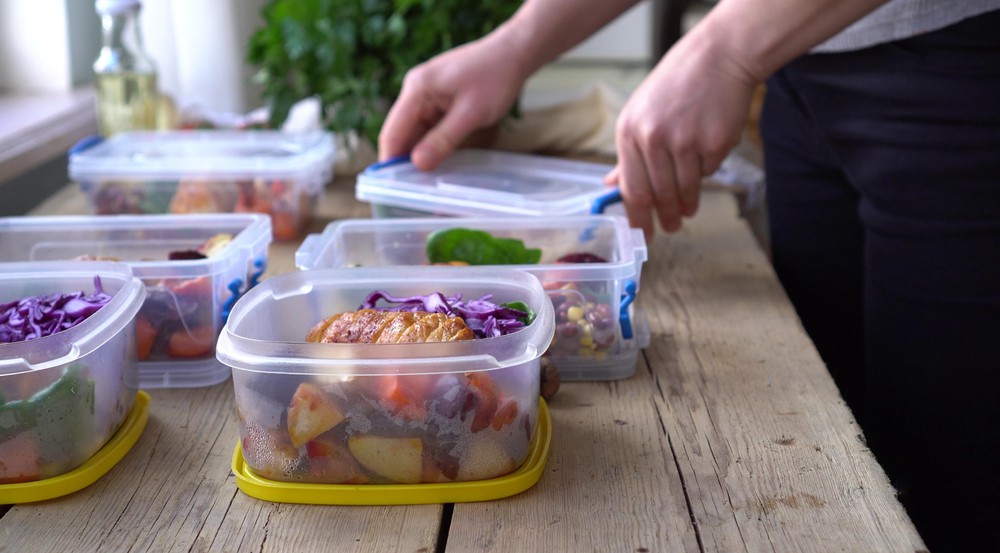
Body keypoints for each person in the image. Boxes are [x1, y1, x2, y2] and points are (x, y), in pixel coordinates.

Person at [377, 1, 1000, 550]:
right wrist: (516, 45)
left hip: (958, 68)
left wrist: (726, 46)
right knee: (846, 429)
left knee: (950, 466)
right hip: (797, 69)